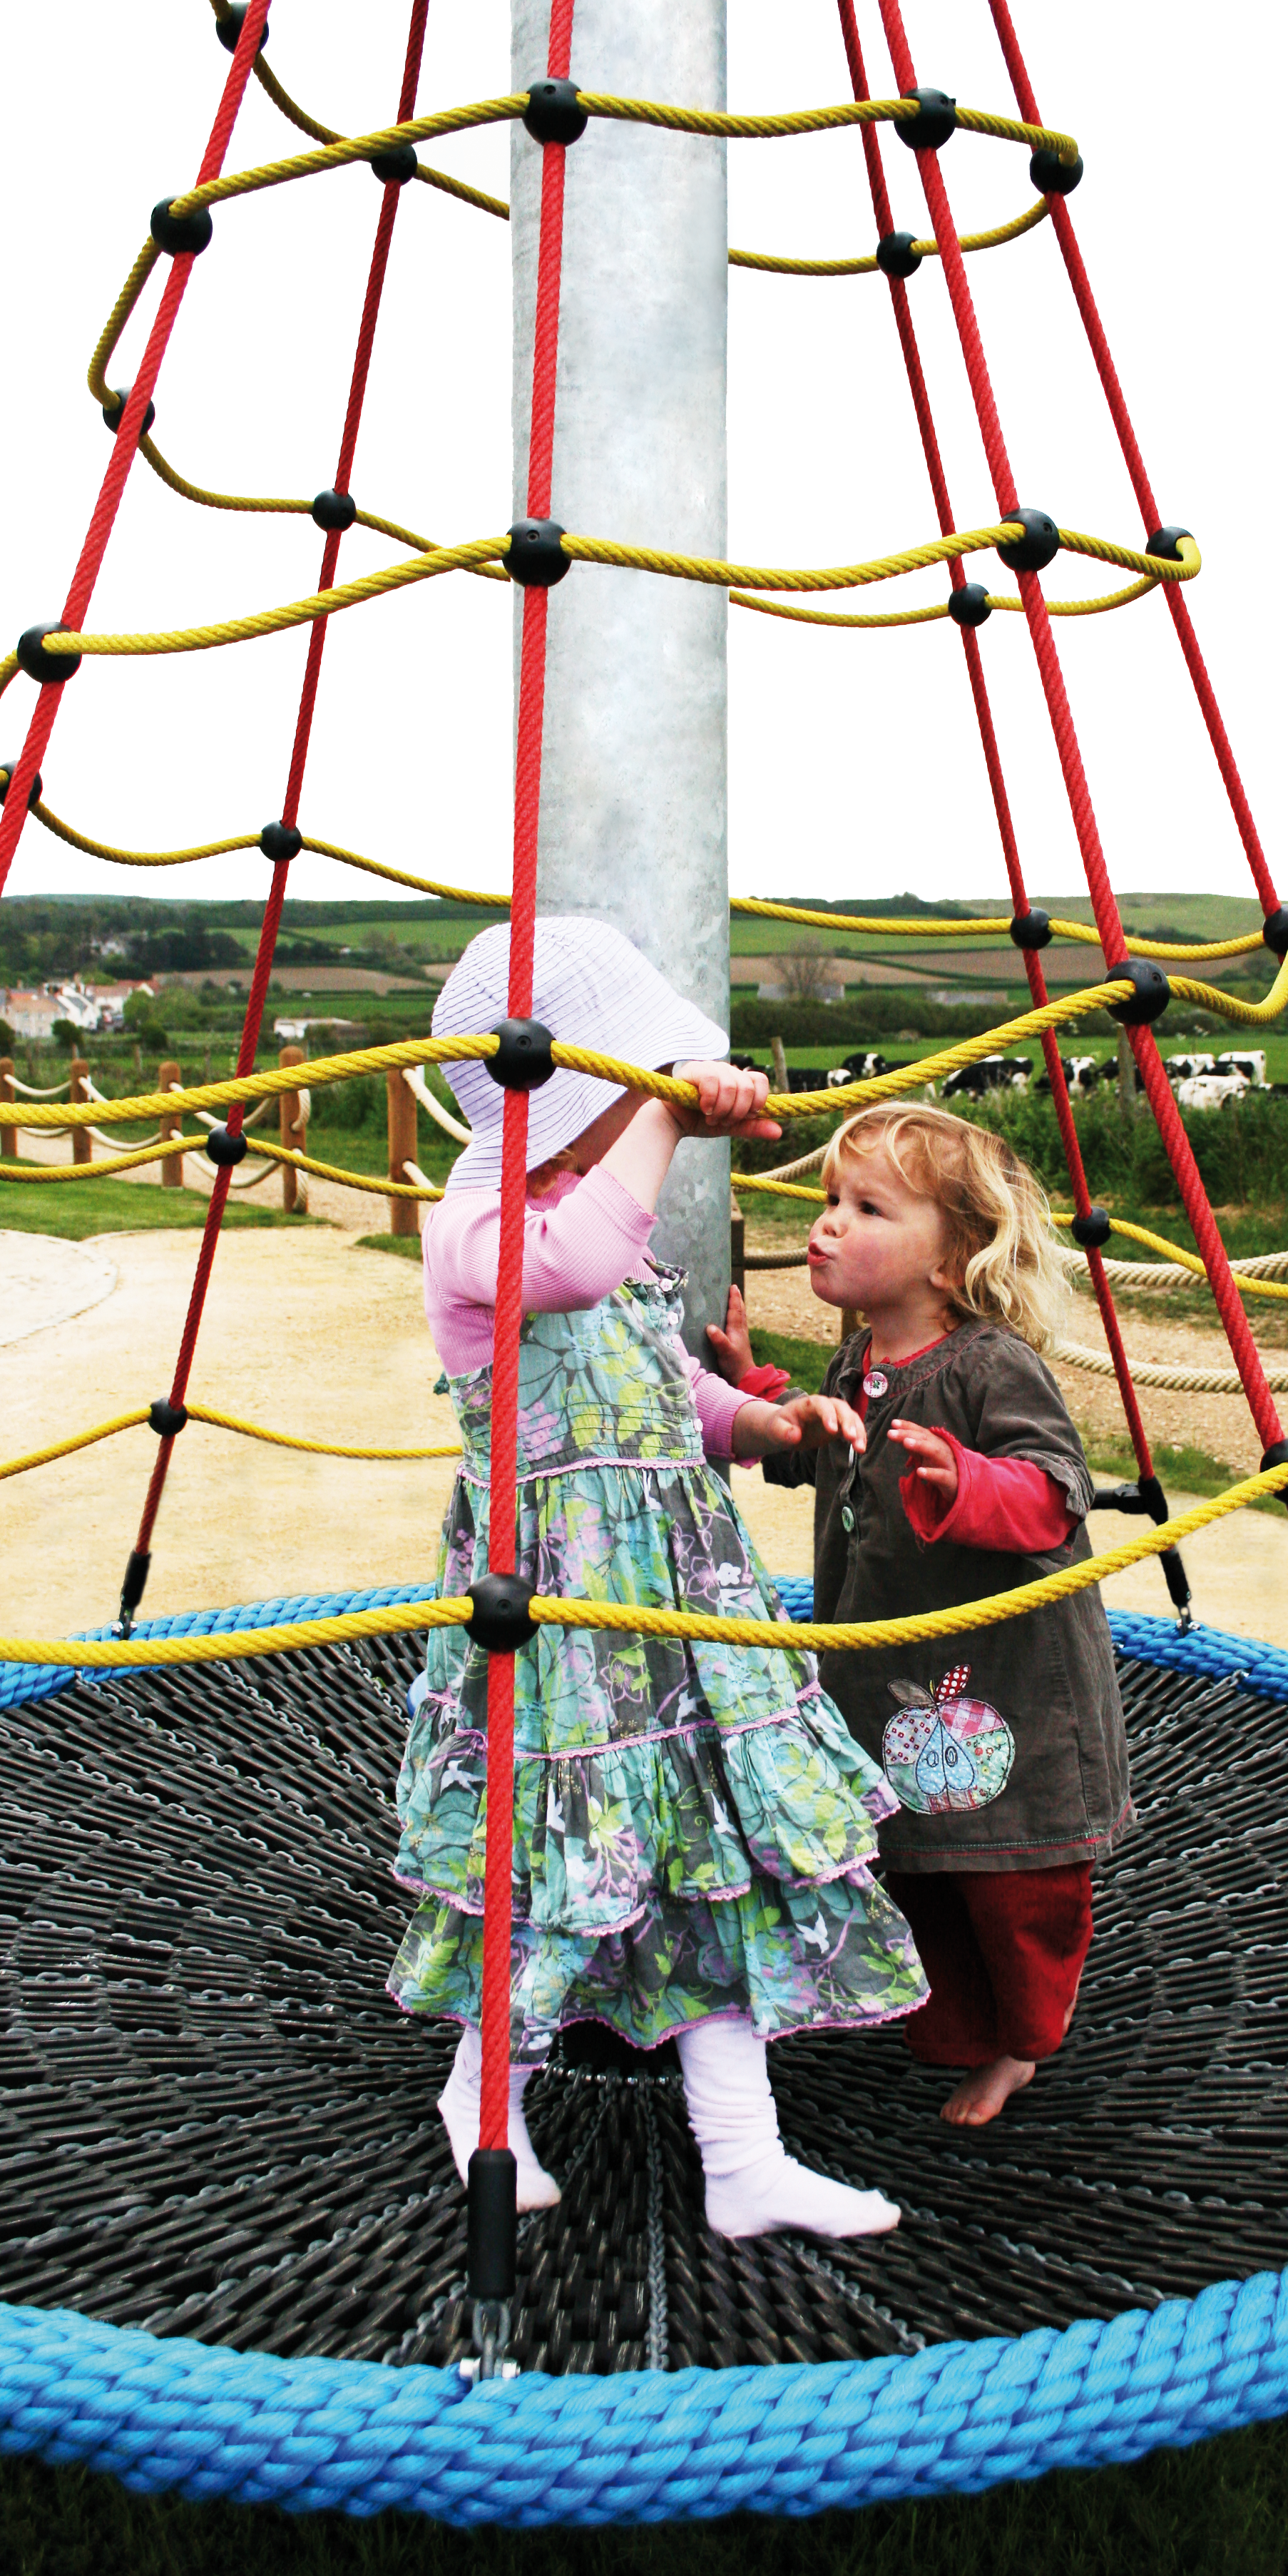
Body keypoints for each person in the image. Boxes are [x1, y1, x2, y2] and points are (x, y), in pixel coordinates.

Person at [390, 919, 927, 2240]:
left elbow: (659, 1387)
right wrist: (665, 1106)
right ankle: (484, 2104)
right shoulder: (473, 1229)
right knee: (555, 1857)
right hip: (560, 1612)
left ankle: (742, 2161)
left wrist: (764, 1425)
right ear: (564, 1094)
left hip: (680, 1599)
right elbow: (563, 1275)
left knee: (720, 1850)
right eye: (621, 1081)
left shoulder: (604, 1229)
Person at [761, 1100, 1132, 2124]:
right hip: (895, 1683)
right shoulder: (856, 1362)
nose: (830, 1222)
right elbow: (810, 1458)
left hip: (1002, 1689)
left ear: (951, 1256)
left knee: (1014, 1877)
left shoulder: (987, 1367)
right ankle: (956, 2023)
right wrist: (755, 1400)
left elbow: (1056, 1490)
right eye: (831, 1199)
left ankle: (1024, 2040)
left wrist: (968, 1482)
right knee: (919, 1860)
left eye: (868, 1207)